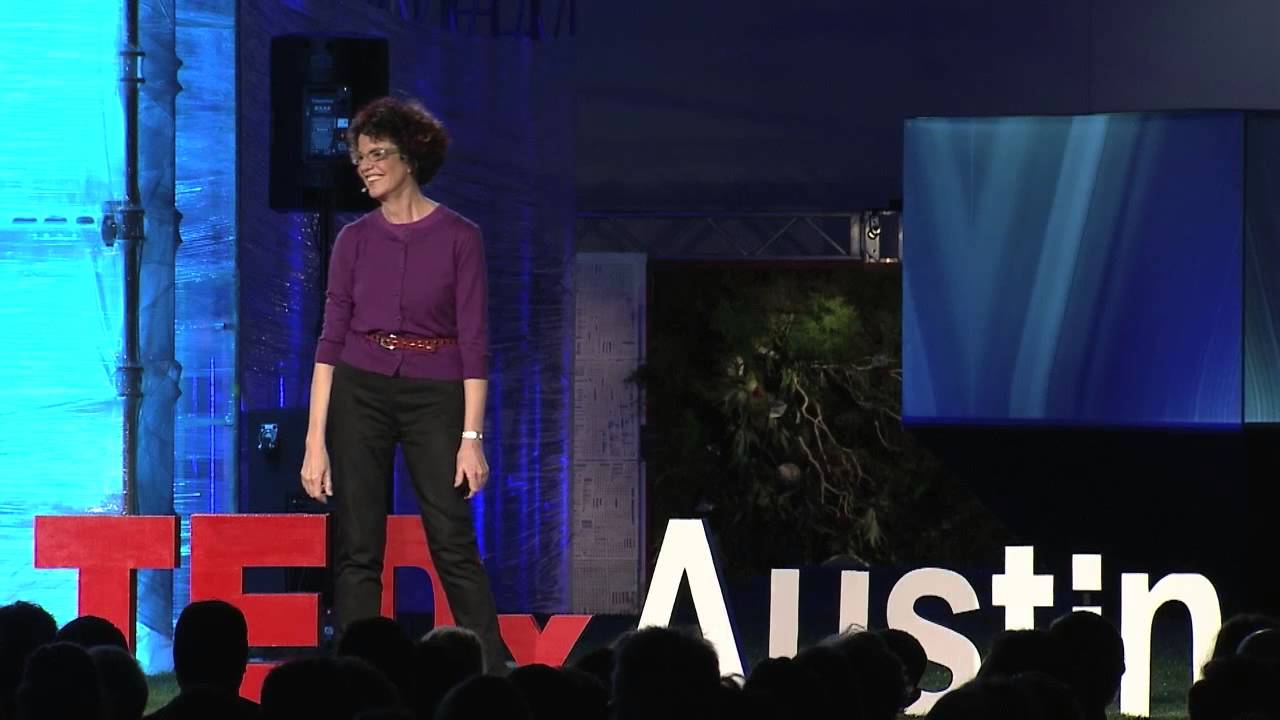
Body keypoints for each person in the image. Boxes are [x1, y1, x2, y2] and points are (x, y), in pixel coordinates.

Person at [299, 95, 511, 674]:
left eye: (377, 154)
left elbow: (475, 342)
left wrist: (472, 435)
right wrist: (315, 442)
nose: (365, 166)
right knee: (358, 547)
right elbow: (329, 343)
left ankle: (495, 672)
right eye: (358, 157)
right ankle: (354, 674)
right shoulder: (353, 240)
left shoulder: (460, 237)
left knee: (451, 538)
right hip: (360, 390)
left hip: (435, 394)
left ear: (411, 157)